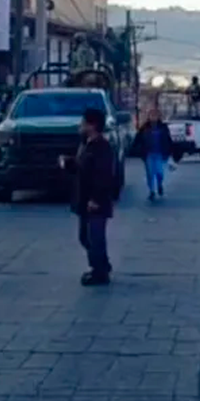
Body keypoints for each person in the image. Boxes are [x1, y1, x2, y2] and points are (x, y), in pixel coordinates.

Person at [60, 107, 115, 286]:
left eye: (83, 123)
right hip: (83, 199)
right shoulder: (85, 144)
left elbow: (104, 175)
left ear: (92, 125)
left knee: (95, 237)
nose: (80, 125)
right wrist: (68, 163)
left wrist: (96, 199)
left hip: (95, 202)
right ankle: (102, 265)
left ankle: (99, 272)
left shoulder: (102, 147)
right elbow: (81, 168)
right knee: (85, 237)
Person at [135, 107, 173, 201]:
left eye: (155, 115)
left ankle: (160, 184)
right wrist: (138, 151)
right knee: (150, 174)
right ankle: (152, 191)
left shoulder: (163, 127)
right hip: (149, 154)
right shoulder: (145, 127)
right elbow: (138, 140)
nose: (153, 117)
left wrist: (169, 152)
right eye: (152, 115)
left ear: (158, 116)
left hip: (160, 154)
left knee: (160, 172)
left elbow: (168, 140)